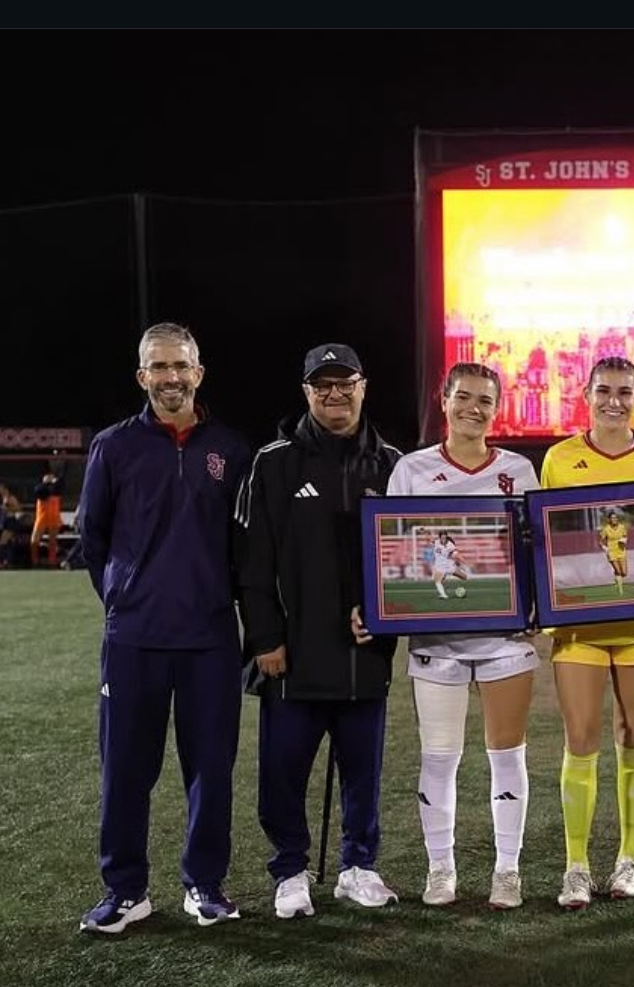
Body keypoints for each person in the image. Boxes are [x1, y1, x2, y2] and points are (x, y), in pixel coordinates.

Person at [77, 322, 250, 934]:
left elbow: (245, 546)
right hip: (134, 639)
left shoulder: (231, 449)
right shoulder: (113, 447)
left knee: (210, 768)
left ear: (198, 373)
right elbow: (93, 538)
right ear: (142, 376)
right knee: (125, 770)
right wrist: (122, 600)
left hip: (210, 638)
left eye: (181, 365)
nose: (170, 376)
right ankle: (126, 890)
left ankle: (204, 885)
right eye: (159, 366)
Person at [236, 342, 404, 920]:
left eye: (345, 383)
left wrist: (386, 616)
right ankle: (290, 870)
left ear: (363, 386)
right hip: (292, 654)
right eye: (322, 385)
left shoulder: (393, 464)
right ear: (306, 391)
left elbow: (412, 559)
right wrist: (265, 639)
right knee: (283, 772)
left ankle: (359, 867)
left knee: (364, 773)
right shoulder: (273, 462)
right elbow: (252, 562)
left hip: (364, 654)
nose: (335, 394)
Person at [386, 362, 541, 911]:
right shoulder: (411, 469)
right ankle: (440, 868)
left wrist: (539, 603)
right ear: (444, 399)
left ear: (497, 408)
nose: (474, 408)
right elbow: (392, 550)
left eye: (485, 400)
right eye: (464, 397)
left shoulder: (519, 470)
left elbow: (534, 549)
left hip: (504, 641)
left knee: (507, 756)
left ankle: (507, 869)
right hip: (438, 641)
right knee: (439, 757)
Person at [539, 356, 634, 909]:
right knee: (580, 738)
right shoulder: (560, 459)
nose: (614, 402)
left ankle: (629, 859)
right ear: (586, 394)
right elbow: (546, 538)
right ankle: (576, 866)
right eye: (604, 391)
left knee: (633, 733)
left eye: (625, 392)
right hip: (578, 625)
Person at [31, 468, 64, 568]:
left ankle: (52, 562)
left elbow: (57, 490)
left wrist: (54, 482)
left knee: (52, 541)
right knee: (34, 541)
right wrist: (46, 483)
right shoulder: (40, 487)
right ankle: (35, 561)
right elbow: (40, 492)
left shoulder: (56, 486)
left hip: (53, 516)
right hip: (42, 517)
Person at [598, 511, 630, 594]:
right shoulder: (606, 529)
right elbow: (600, 542)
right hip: (612, 552)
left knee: (624, 573)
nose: (614, 519)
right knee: (618, 571)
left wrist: (624, 541)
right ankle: (620, 589)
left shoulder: (622, 527)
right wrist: (605, 548)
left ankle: (617, 579)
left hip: (621, 551)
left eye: (615, 518)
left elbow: (625, 536)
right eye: (612, 518)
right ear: (609, 519)